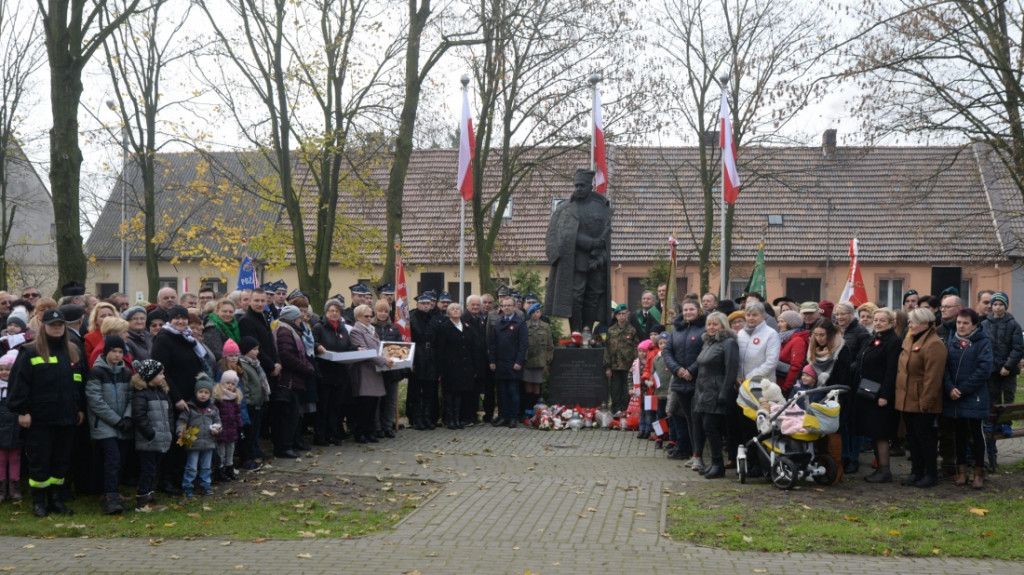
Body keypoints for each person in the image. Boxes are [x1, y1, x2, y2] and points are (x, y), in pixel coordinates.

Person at [7, 308, 86, 517]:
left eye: (60, 325)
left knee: (61, 462)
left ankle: (56, 499)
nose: (57, 328)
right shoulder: (30, 352)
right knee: (40, 461)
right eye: (53, 325)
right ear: (44, 327)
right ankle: (39, 502)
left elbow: (78, 383)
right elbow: (19, 385)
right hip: (39, 419)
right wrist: (22, 411)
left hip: (67, 417)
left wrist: (79, 409)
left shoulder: (73, 351)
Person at [150, 304, 210, 495]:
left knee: (187, 439)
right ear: (170, 320)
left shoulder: (188, 339)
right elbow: (162, 372)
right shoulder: (164, 340)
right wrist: (176, 397)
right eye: (176, 318)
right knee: (175, 441)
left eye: (183, 318)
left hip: (191, 396)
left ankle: (182, 478)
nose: (181, 321)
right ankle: (167, 480)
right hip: (173, 398)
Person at [544, 168, 612, 332]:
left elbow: (605, 236)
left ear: (590, 187)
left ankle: (587, 331)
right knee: (575, 297)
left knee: (593, 297)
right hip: (573, 262)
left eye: (582, 185)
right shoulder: (566, 208)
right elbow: (565, 234)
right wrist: (590, 243)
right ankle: (575, 332)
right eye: (576, 185)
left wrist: (599, 256)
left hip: (596, 262)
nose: (578, 189)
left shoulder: (601, 207)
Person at [894, 307, 948, 488]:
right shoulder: (910, 339)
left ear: (925, 324)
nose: (910, 325)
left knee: (925, 438)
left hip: (922, 399)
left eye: (913, 322)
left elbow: (933, 377)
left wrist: (926, 401)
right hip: (907, 398)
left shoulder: (933, 344)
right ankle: (916, 471)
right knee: (912, 438)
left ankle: (930, 473)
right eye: (909, 321)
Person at [943, 309, 993, 489]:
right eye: (959, 322)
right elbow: (945, 368)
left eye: (965, 323)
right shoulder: (951, 341)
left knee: (976, 436)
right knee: (959, 435)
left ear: (974, 325)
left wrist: (962, 390)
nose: (961, 326)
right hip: (954, 396)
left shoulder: (982, 342)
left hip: (974, 397)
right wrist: (949, 387)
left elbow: (983, 371)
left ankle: (979, 472)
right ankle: (961, 472)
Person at [85, 335, 133, 514]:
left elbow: (131, 397)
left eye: (121, 352)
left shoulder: (126, 373)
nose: (117, 355)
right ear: (106, 352)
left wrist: (127, 417)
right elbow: (95, 401)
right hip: (104, 425)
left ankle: (107, 490)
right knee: (112, 459)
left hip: (122, 424)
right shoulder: (97, 372)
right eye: (114, 351)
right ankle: (110, 496)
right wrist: (116, 420)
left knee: (118, 460)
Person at [856, 308, 903, 484]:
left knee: (881, 433)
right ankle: (880, 469)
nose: (877, 323)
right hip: (868, 392)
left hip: (881, 395)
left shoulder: (893, 341)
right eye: (875, 320)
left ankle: (885, 470)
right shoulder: (873, 338)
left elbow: (891, 371)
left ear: (892, 323)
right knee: (873, 432)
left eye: (882, 320)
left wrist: (885, 395)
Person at [691, 312, 738, 479]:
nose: (711, 327)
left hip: (717, 392)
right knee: (707, 428)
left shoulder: (728, 343)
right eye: (709, 324)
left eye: (715, 324)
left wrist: (725, 392)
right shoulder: (708, 343)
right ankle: (715, 463)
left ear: (723, 326)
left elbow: (731, 369)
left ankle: (719, 465)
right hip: (704, 392)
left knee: (711, 428)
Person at [663, 300, 705, 464]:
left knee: (697, 419)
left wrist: (691, 370)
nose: (688, 312)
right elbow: (667, 351)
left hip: (697, 381)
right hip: (680, 382)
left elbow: (705, 351)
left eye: (691, 309)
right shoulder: (676, 329)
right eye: (685, 309)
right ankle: (694, 454)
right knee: (688, 418)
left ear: (698, 310)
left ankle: (698, 455)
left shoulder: (703, 328)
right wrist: (677, 369)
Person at [981, 292, 1023, 453]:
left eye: (1001, 304)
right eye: (995, 304)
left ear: (1006, 306)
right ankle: (995, 422)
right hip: (992, 369)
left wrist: (1008, 366)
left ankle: (1007, 424)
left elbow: (1018, 348)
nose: (997, 307)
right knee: (994, 396)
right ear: (991, 306)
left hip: (1009, 370)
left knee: (1009, 396)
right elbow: (984, 346)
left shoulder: (1014, 325)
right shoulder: (985, 324)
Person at [347, 304, 395, 442]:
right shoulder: (356, 331)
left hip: (375, 370)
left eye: (370, 316)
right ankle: (360, 433)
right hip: (364, 371)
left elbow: (378, 349)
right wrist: (383, 360)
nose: (369, 318)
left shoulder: (371, 330)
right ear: (358, 317)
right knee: (364, 405)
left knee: (373, 404)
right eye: (366, 316)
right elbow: (366, 352)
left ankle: (369, 432)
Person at [272, 306, 316, 457]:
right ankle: (284, 447)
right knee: (287, 416)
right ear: (294, 318)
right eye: (299, 317)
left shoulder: (288, 329)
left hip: (292, 379)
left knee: (292, 415)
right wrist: (306, 367)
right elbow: (286, 355)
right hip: (287, 380)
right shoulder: (285, 331)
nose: (302, 320)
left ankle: (288, 444)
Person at [130, 359, 172, 512]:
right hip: (148, 440)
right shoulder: (141, 394)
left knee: (154, 470)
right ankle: (143, 500)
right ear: (150, 375)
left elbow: (169, 414)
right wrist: (150, 433)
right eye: (160, 374)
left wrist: (169, 431)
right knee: (148, 469)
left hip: (161, 439)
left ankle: (150, 497)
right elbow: (139, 416)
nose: (163, 377)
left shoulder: (162, 393)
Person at [834, 301, 871, 473]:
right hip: (837, 381)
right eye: (837, 314)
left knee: (852, 423)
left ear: (851, 314)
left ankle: (854, 458)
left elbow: (862, 357)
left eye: (843, 314)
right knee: (841, 422)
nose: (840, 317)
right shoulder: (835, 330)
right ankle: (843, 455)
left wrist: (851, 369)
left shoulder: (860, 332)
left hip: (853, 383)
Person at [312, 298, 355, 445]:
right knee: (323, 407)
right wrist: (318, 346)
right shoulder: (319, 327)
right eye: (331, 310)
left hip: (340, 373)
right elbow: (313, 342)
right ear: (326, 312)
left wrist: (357, 350)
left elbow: (348, 346)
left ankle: (332, 434)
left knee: (335, 407)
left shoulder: (343, 328)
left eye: (337, 311)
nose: (334, 313)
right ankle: (320, 436)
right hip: (325, 373)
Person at [177, 373, 221, 498]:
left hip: (208, 442)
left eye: (206, 392)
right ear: (196, 392)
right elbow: (181, 421)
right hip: (193, 442)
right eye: (201, 391)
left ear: (210, 394)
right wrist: (180, 431)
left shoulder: (213, 409)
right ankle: (188, 485)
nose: (203, 395)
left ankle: (205, 484)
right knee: (191, 466)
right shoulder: (189, 408)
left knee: (206, 466)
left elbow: (218, 422)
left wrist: (217, 429)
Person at [434, 303, 475, 430]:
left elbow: (471, 347)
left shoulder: (466, 326)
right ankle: (450, 419)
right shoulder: (444, 328)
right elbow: (440, 349)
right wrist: (440, 368)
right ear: (448, 313)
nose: (456, 310)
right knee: (449, 394)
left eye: (458, 309)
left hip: (464, 366)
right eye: (453, 309)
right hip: (450, 367)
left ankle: (457, 419)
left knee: (459, 394)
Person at [489, 296, 529, 428]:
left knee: (513, 392)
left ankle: (513, 417)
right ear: (501, 307)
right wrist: (492, 360)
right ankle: (503, 416)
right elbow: (493, 344)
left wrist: (519, 361)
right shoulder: (498, 323)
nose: (506, 307)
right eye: (504, 305)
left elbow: (523, 345)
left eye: (509, 305)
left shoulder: (520, 322)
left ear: (514, 307)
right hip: (500, 363)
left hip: (514, 364)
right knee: (501, 393)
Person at [372, 299, 405, 436]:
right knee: (378, 400)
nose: (383, 314)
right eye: (380, 311)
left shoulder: (394, 328)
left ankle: (388, 426)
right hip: (377, 370)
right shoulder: (371, 327)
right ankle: (377, 427)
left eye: (386, 311)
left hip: (392, 370)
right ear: (375, 311)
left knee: (390, 401)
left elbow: (400, 347)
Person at [237, 337, 269, 470]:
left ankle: (252, 456)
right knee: (248, 435)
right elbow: (245, 386)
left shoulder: (255, 364)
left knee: (254, 433)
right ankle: (247, 460)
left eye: (257, 349)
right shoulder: (243, 366)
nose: (257, 352)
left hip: (258, 403)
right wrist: (249, 401)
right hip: (250, 404)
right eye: (254, 349)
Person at [408, 293, 438, 430]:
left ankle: (427, 417)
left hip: (431, 355)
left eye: (428, 304)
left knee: (429, 390)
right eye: (423, 304)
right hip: (417, 355)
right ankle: (416, 418)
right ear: (417, 304)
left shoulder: (434, 318)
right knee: (415, 390)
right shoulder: (411, 318)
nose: (426, 306)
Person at [604, 304, 638, 414]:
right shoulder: (610, 330)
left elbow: (636, 348)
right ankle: (615, 412)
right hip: (614, 366)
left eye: (624, 314)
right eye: (619, 314)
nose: (621, 316)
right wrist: (607, 367)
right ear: (616, 316)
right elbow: (607, 349)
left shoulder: (632, 330)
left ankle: (625, 412)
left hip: (628, 366)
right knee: (615, 390)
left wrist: (635, 366)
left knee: (627, 390)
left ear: (627, 315)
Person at [0, 350, 23, 503]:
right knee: (1, 459)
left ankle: (14, 486)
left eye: (8, 369)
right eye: (1, 369)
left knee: (15, 458)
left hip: (15, 428)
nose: (4, 372)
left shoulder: (18, 388)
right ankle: (1, 487)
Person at [213, 371, 243, 482]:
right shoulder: (218, 397)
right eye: (227, 383)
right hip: (221, 428)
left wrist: (240, 426)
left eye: (233, 384)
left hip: (232, 428)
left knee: (230, 449)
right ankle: (220, 470)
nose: (230, 386)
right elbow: (215, 414)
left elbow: (237, 414)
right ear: (222, 383)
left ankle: (229, 468)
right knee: (221, 451)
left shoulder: (235, 397)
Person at [523, 303, 553, 411]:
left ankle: (537, 411)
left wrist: (547, 361)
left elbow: (550, 346)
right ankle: (528, 410)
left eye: (537, 312)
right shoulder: (525, 326)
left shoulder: (546, 327)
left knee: (536, 387)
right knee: (528, 387)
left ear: (540, 313)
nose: (535, 315)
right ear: (530, 314)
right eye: (533, 313)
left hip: (540, 362)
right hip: (528, 361)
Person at [775, 310, 809, 395]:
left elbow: (796, 366)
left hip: (786, 386)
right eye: (778, 321)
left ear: (791, 324)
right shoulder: (784, 339)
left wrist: (786, 387)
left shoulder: (798, 340)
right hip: (779, 383)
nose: (778, 324)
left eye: (782, 321)